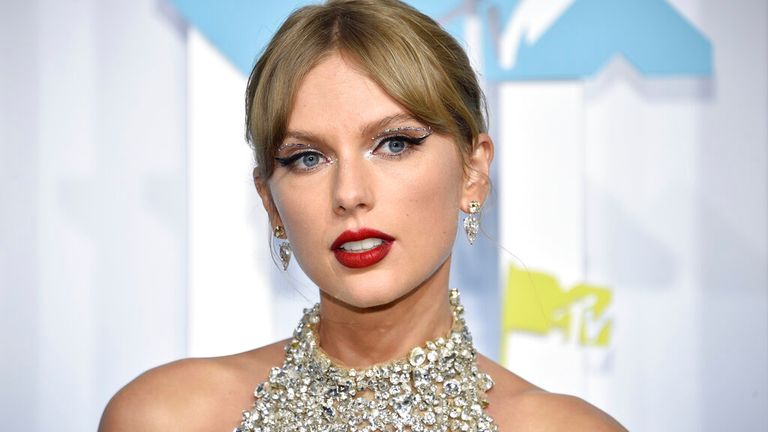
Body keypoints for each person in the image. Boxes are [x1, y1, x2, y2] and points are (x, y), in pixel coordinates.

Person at [99, 1, 626, 430]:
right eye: (307, 158)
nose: (349, 193)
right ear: (270, 203)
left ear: (473, 172)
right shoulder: (165, 417)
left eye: (394, 144)